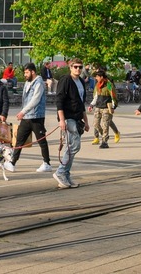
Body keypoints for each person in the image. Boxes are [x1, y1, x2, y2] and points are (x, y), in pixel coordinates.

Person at [6, 63, 52, 173]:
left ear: (32, 72)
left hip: (36, 117)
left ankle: (47, 163)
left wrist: (23, 111)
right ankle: (12, 162)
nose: (25, 75)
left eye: (27, 72)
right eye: (24, 73)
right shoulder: (27, 82)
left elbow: (35, 99)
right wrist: (23, 112)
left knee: (42, 141)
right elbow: (26, 100)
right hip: (26, 117)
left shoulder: (39, 83)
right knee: (19, 140)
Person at [54, 59, 89, 188]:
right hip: (68, 117)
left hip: (77, 117)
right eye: (75, 67)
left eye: (80, 67)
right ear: (70, 67)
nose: (78, 69)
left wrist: (86, 121)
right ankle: (61, 172)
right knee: (74, 146)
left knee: (72, 146)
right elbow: (59, 101)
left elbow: (81, 103)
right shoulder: (66, 80)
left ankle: (66, 174)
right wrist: (61, 120)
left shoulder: (80, 81)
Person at [89, 69, 119, 148]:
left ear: (101, 77)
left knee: (105, 125)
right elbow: (96, 96)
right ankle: (104, 136)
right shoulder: (97, 85)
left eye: (97, 77)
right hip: (98, 107)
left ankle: (104, 142)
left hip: (106, 107)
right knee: (95, 124)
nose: (96, 78)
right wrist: (91, 105)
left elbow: (113, 96)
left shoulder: (109, 84)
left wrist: (113, 106)